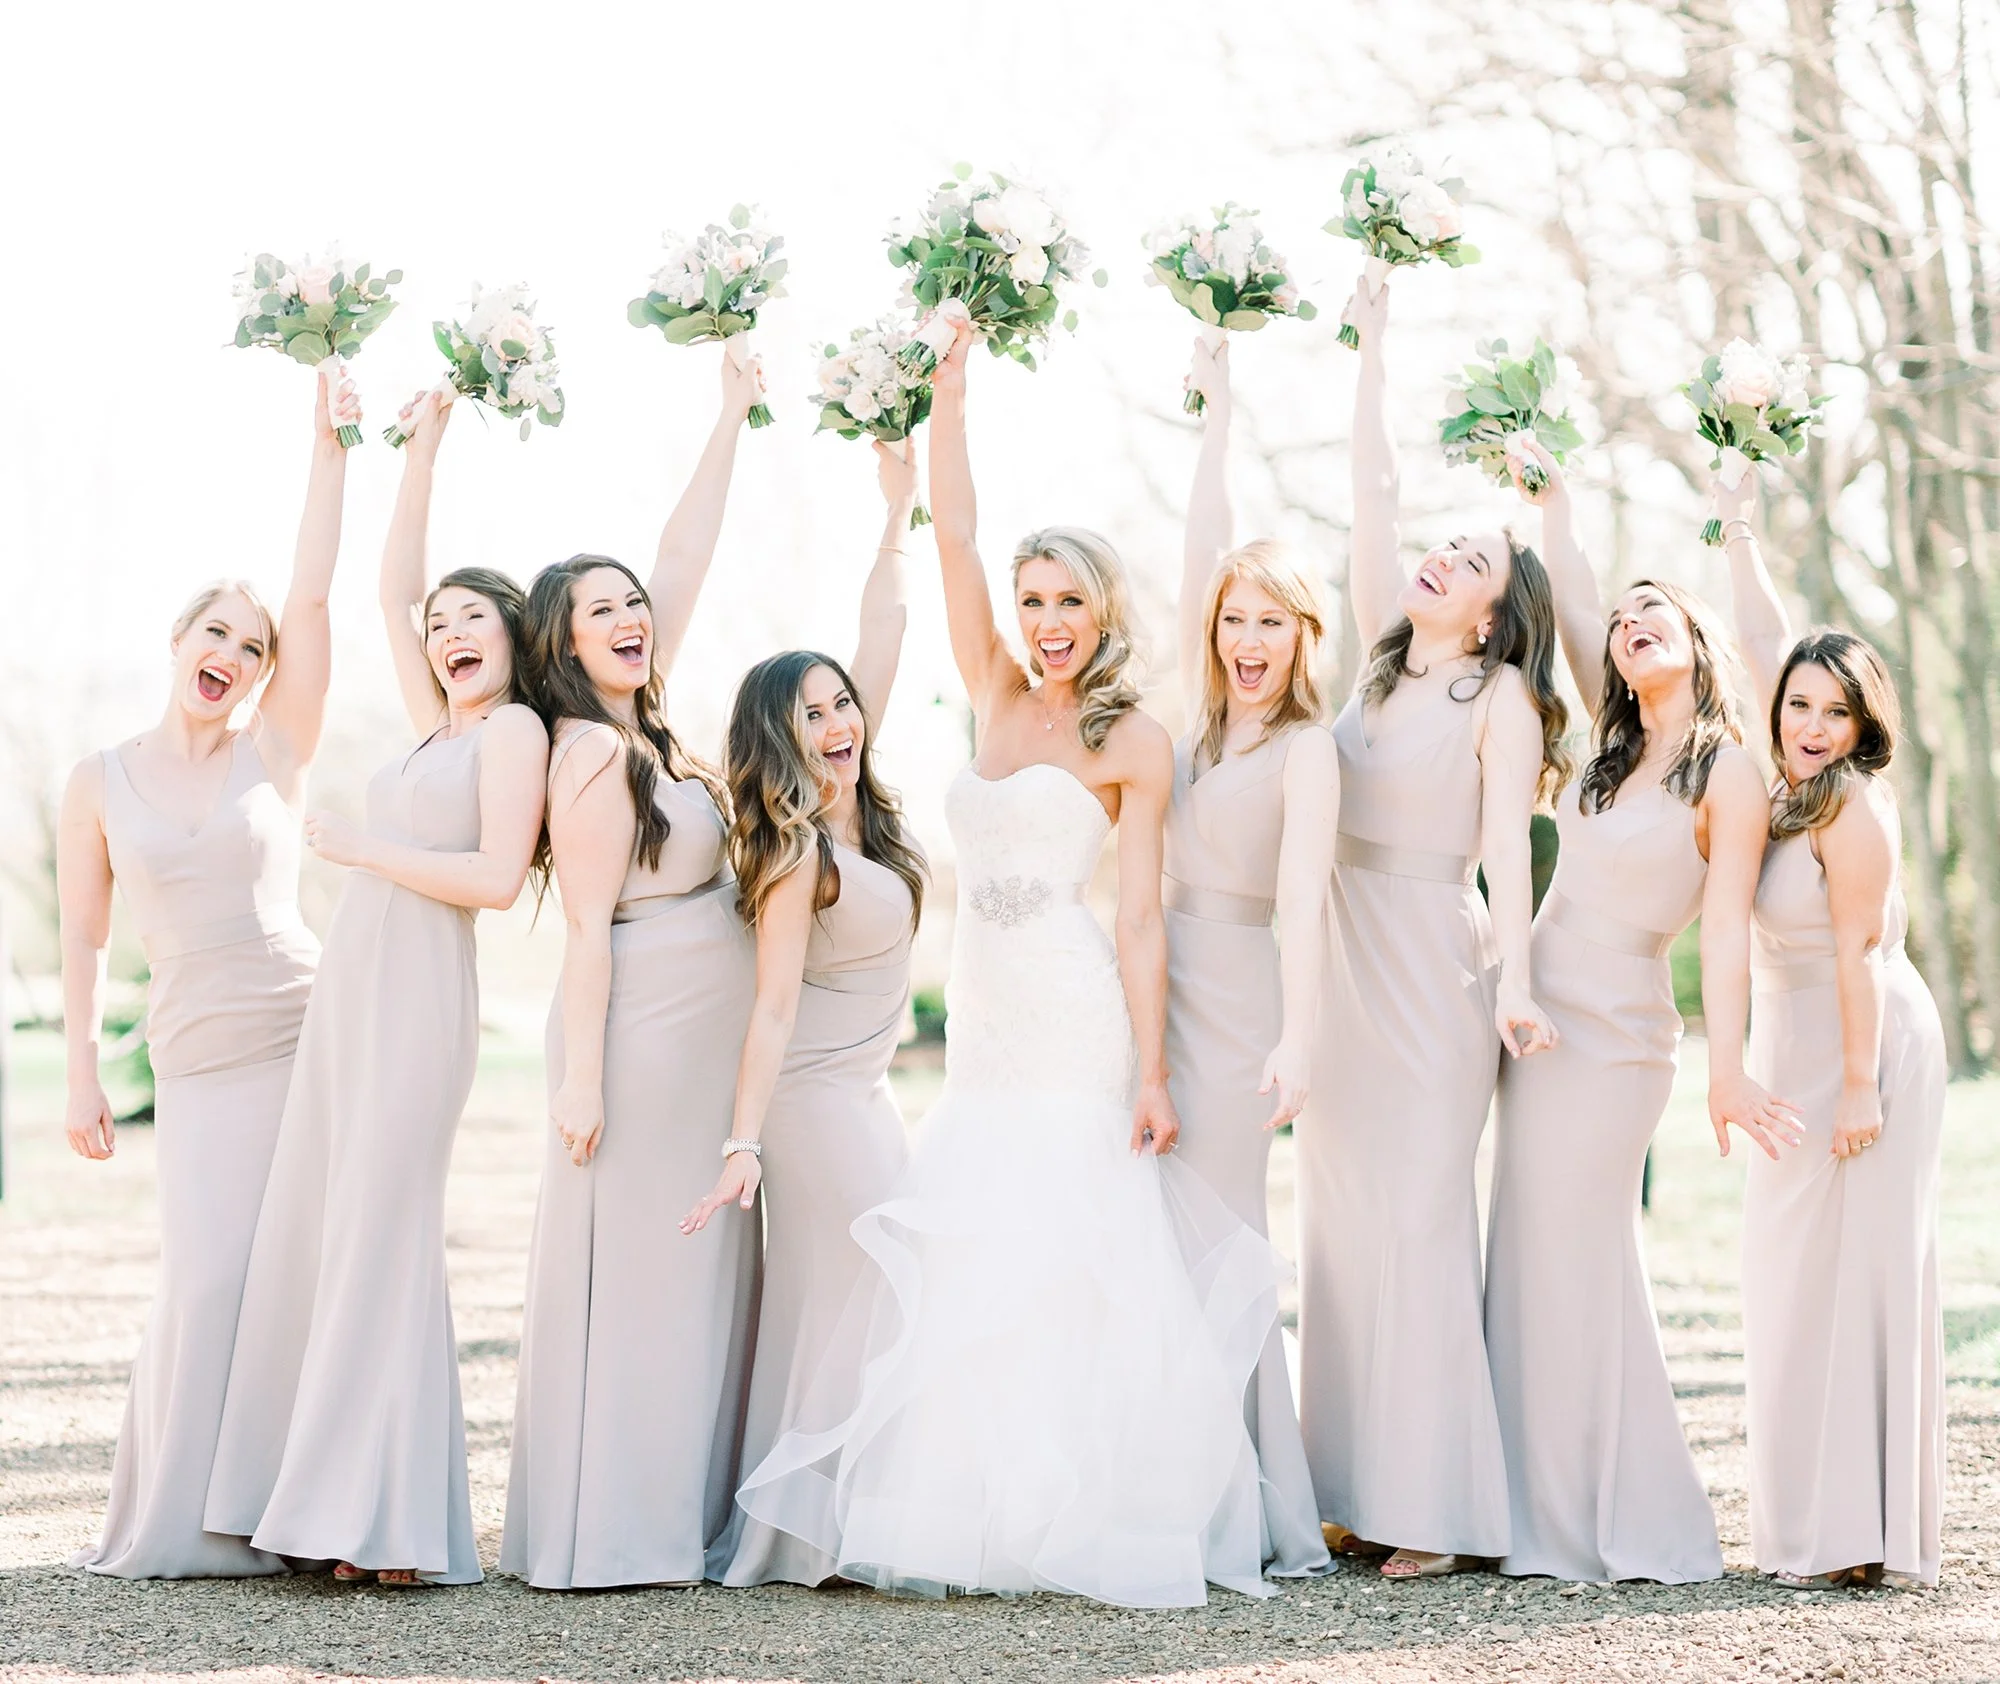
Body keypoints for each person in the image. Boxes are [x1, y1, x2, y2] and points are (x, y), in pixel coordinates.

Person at [718, 314, 1288, 1610]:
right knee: (978, 1236)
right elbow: (956, 541)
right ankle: (962, 1506)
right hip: (980, 1017)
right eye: (1034, 604)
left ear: (1105, 610)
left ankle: (1078, 1508)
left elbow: (1140, 920)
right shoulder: (986, 683)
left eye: (1067, 602)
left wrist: (1152, 1072)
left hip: (1075, 1015)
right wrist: (949, 397)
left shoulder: (1132, 738)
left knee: (1068, 1238)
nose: (1044, 624)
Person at [205, 388, 549, 1586]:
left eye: (472, 621)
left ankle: (379, 1521)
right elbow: (392, 586)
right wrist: (423, 448)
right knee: (342, 1225)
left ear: (511, 642)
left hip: (421, 1005)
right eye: (440, 623)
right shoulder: (432, 729)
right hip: (356, 999)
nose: (447, 631)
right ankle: (329, 1499)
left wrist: (360, 852)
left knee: (387, 1234)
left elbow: (499, 879)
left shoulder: (512, 735)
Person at [59, 371, 357, 1578]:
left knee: (311, 1265)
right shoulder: (97, 780)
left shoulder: (275, 749)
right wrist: (82, 1072)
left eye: (250, 643)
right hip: (189, 1054)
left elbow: (315, 590)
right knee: (210, 1272)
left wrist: (328, 449)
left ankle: (312, 1516)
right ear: (178, 643)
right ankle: (196, 1511)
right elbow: (82, 939)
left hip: (305, 1031)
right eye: (214, 634)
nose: (231, 653)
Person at [1482, 440, 1796, 1584]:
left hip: (1617, 1031)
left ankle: (1607, 1515)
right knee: (1522, 1245)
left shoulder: (1726, 769)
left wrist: (1727, 1068)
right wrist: (1553, 502)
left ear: (1693, 638)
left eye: (1652, 610)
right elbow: (1568, 598)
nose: (1627, 624)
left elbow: (1721, 929)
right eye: (1619, 621)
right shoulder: (1608, 748)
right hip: (1531, 1014)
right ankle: (1517, 1501)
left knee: (1579, 1252)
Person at [1297, 276, 1569, 1579]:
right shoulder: (1374, 656)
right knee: (1340, 1222)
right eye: (1443, 549)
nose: (1442, 560)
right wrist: (1376, 347)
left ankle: (1440, 1509)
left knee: (1413, 1219)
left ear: (1498, 609)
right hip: (1341, 965)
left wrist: (1516, 981)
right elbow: (1373, 495)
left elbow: (1513, 849)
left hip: (1432, 972)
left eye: (1476, 560)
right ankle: (1352, 1485)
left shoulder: (1499, 694)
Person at [500, 352, 766, 1589]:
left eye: (632, 604)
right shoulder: (592, 756)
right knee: (655, 1266)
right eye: (598, 609)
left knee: (697, 1268)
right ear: (559, 642)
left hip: (699, 1037)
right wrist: (584, 1082)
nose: (629, 617)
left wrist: (727, 414)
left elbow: (689, 557)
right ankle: (622, 1528)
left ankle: (676, 1508)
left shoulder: (648, 725)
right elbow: (587, 930)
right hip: (640, 1041)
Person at [683, 438, 925, 1588]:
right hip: (816, 1105)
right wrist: (741, 1141)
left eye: (841, 702)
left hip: (864, 1092)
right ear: (777, 738)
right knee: (870, 1280)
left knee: (856, 1291)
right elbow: (770, 1008)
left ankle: (828, 1522)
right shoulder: (796, 854)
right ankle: (815, 1526)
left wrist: (896, 512)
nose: (836, 719)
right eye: (812, 712)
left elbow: (883, 634)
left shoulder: (861, 811)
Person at [1719, 474, 1948, 1590]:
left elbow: (1858, 954)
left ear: (1864, 724)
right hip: (1793, 1047)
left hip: (1864, 1048)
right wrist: (1739, 524)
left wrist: (1858, 1088)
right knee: (1791, 1273)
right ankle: (1819, 1516)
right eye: (1798, 705)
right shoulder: (1782, 779)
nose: (1810, 725)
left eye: (1832, 710)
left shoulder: (1850, 801)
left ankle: (1860, 1532)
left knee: (1858, 1274)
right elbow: (1766, 634)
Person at [1166, 336, 1335, 1578]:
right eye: (1232, 618)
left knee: (1220, 1241)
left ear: (1302, 632)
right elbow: (1198, 544)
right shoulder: (1189, 723)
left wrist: (1296, 1037)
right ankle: (1159, 1480)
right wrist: (1214, 410)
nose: (1245, 637)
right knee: (1147, 1241)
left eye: (1268, 620)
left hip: (1236, 1003)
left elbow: (1305, 905)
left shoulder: (1305, 751)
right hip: (1149, 991)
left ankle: (1249, 1498)